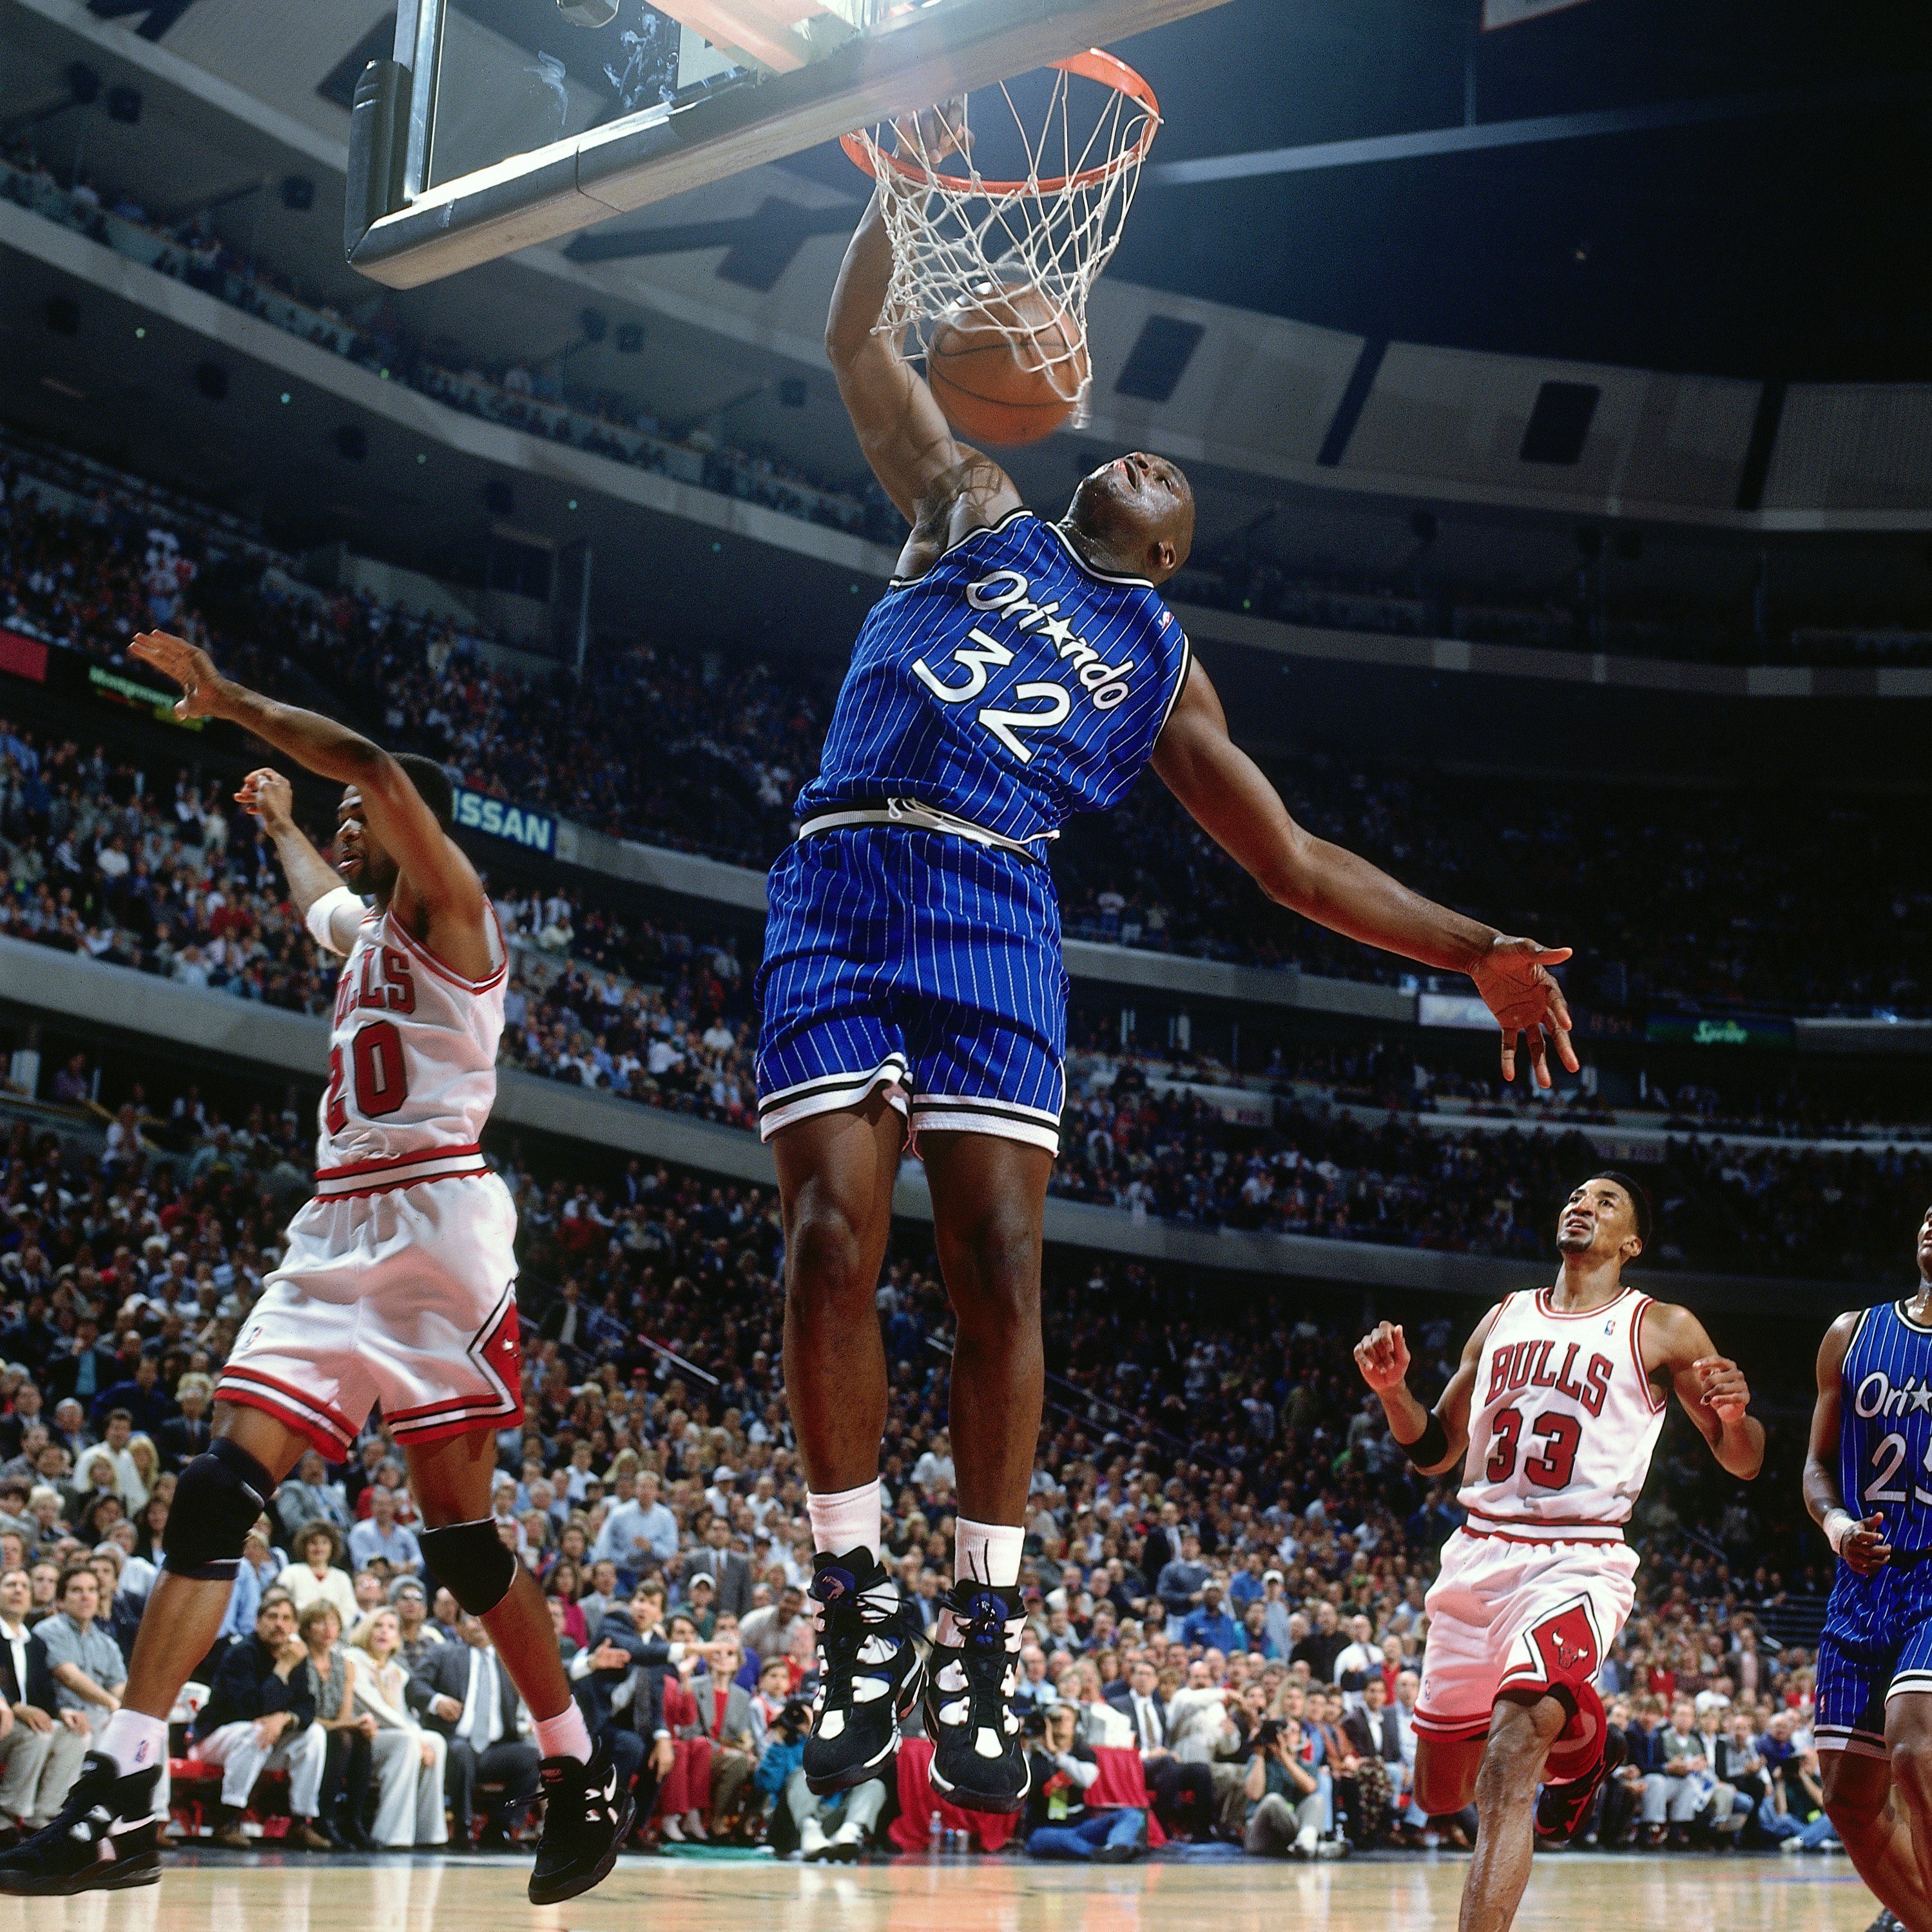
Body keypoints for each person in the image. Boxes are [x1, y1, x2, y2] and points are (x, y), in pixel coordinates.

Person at [773, 111, 1578, 1818]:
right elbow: (855, 340)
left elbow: (1290, 865)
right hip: (846, 868)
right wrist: (900, 205)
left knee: (993, 1261)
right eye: (1128, 455)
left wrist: (1470, 948)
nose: (1141, 465)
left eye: (1170, 485)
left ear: (1169, 550)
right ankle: (853, 1601)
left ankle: (983, 1619)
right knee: (831, 1239)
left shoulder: (1161, 674)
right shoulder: (971, 507)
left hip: (995, 903)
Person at [0, 639, 628, 1904]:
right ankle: (123, 1793)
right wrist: (285, 823)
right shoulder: (363, 934)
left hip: (438, 1230)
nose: (345, 820)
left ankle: (577, 1767)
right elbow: (317, 905)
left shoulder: (455, 908)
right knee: (211, 1491)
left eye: (355, 812)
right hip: (334, 1230)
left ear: (414, 825)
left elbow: (374, 762)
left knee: (459, 1544)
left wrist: (233, 704)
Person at [1353, 1172, 1763, 1932]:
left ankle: (1563, 1738)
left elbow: (1742, 1460)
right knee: (1440, 1791)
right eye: (1576, 1197)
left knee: (1510, 1765)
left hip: (1578, 1558)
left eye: (1606, 1202)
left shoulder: (1662, 1325)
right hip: (1476, 1554)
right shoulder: (1504, 1315)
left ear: (1631, 1243)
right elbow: (1435, 1450)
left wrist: (1736, 1418)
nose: (1583, 1206)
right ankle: (1584, 1736)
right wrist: (1392, 1392)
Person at [1804, 1204, 1932, 1927]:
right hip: (1862, 1582)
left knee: (1915, 1750)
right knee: (1849, 1802)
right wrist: (1838, 1523)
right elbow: (1817, 1464)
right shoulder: (1852, 1334)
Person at [187, 1590, 329, 1851]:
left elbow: (308, 1707)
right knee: (255, 1731)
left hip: (260, 1744)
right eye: (272, 1617)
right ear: (258, 1622)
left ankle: (300, 1822)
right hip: (216, 1740)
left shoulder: (296, 1658)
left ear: (295, 1627)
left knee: (315, 1734)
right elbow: (250, 1709)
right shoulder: (241, 1653)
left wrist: (284, 1718)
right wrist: (282, 1669)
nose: (279, 1624)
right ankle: (227, 1820)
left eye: (287, 1619)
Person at [409, 1611, 541, 1848]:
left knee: (532, 1757)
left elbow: (549, 1672)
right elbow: (414, 1685)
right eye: (471, 1618)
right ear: (458, 1626)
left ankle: (500, 1829)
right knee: (462, 1752)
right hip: (454, 1740)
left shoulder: (510, 1661)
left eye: (485, 1618)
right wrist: (436, 1701)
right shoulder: (443, 1653)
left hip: (496, 1748)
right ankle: (464, 1828)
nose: (479, 1622)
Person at [348, 1607, 447, 1849]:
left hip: (395, 1734)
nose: (384, 1632)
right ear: (367, 1630)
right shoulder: (353, 1659)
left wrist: (420, 1738)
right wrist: (416, 1738)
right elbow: (375, 1707)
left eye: (391, 1627)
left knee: (436, 1741)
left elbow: (404, 1715)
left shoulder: (397, 1671)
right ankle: (392, 1834)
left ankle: (430, 1833)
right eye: (378, 1625)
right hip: (361, 1735)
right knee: (409, 1741)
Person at [0, 1568, 84, 1840]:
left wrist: (63, 1712)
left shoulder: (35, 1643)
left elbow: (43, 1697)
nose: (18, 1591)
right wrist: (15, 1707)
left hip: (23, 1723)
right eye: (10, 1585)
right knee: (36, 1734)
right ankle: (6, 1818)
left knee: (75, 1734)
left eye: (24, 1586)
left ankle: (43, 1818)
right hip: (6, 1721)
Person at [1022, 1702, 1146, 1862]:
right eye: (1054, 1719)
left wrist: (1056, 1753)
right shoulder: (1033, 1755)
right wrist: (1023, 1743)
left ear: (1076, 1725)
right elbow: (1019, 1782)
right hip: (1045, 1829)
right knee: (1049, 1839)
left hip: (1080, 1827)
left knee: (1132, 1815)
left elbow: (1086, 1780)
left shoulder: (1084, 1753)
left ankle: (1116, 1847)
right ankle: (1104, 1853)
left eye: (1065, 1719)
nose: (1059, 1724)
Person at [298, 1599, 376, 1850]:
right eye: (320, 1622)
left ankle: (353, 1820)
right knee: (343, 1737)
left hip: (333, 1730)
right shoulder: (298, 1659)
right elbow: (302, 1712)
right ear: (308, 1628)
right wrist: (343, 1726)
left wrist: (356, 1724)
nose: (327, 1628)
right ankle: (325, 1818)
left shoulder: (345, 1665)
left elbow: (344, 1715)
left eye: (332, 1622)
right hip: (305, 1729)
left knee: (361, 1738)